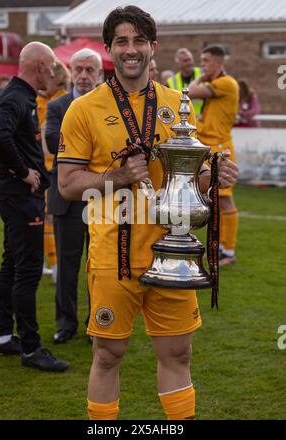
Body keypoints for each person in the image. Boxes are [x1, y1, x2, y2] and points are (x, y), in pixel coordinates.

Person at [57, 6, 238, 420]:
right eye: (121, 41)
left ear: (153, 47)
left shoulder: (179, 104)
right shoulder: (83, 109)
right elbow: (68, 185)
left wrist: (216, 174)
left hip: (175, 255)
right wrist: (119, 174)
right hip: (113, 258)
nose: (131, 49)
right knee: (107, 355)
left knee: (178, 352)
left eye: (139, 40)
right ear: (109, 49)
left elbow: (194, 179)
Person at [0, 42, 69, 372]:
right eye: (50, 66)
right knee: (28, 269)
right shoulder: (16, 97)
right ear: (38, 66)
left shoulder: (22, 96)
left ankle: (5, 337)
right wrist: (24, 172)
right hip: (21, 196)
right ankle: (31, 348)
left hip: (18, 195)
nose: (53, 72)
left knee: (12, 263)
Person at [45, 48, 103, 344]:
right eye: (78, 69)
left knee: (100, 266)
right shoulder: (57, 106)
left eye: (89, 70)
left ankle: (98, 323)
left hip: (99, 197)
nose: (83, 75)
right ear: (70, 71)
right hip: (67, 198)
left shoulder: (107, 106)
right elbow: (53, 141)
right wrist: (91, 143)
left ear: (99, 74)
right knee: (67, 267)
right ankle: (65, 323)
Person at [189, 45, 239, 266]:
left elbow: (190, 91)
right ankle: (219, 247)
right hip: (210, 147)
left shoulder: (226, 83)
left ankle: (229, 251)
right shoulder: (218, 85)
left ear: (219, 62)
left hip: (220, 148)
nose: (203, 65)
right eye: (202, 60)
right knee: (215, 200)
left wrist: (199, 77)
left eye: (206, 60)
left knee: (225, 199)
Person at [37, 60, 71, 283]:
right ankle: (46, 261)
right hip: (39, 167)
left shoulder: (62, 101)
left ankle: (56, 263)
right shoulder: (39, 100)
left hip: (56, 169)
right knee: (40, 217)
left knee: (50, 218)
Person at [167, 48, 203, 115]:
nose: (189, 63)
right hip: (183, 122)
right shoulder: (171, 82)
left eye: (190, 60)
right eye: (185, 61)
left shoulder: (203, 73)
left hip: (202, 120)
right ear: (178, 64)